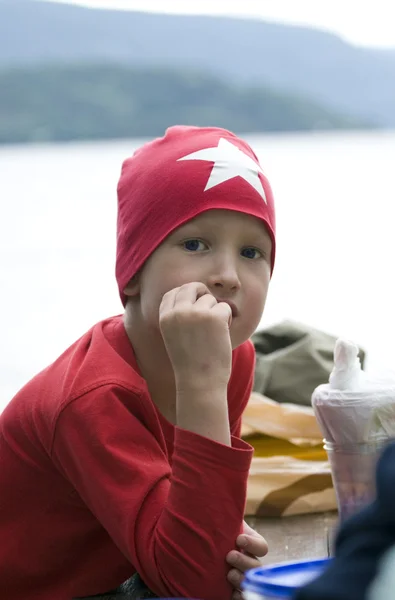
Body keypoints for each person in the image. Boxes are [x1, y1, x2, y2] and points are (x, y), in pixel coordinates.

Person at [0, 125, 276, 600]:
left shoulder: (231, 355)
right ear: (132, 271)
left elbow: (200, 524)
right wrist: (203, 384)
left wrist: (227, 529)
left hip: (124, 570)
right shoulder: (94, 398)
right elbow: (198, 585)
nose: (227, 275)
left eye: (252, 252)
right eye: (194, 244)